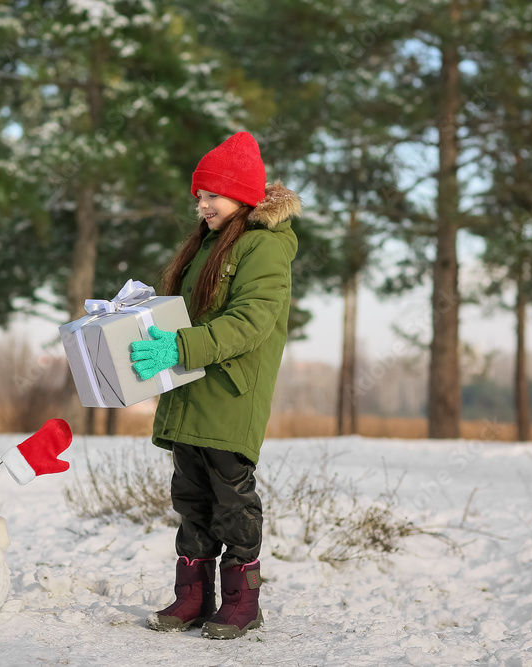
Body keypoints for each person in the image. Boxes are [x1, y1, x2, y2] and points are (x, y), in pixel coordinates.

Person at [129, 131, 301, 640]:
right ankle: (194, 597)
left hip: (230, 393)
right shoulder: (208, 243)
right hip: (190, 391)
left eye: (211, 195)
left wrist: (178, 349)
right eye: (199, 196)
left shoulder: (263, 247)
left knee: (232, 499)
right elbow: (187, 313)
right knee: (191, 497)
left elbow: (250, 322)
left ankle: (243, 602)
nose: (201, 205)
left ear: (242, 196)